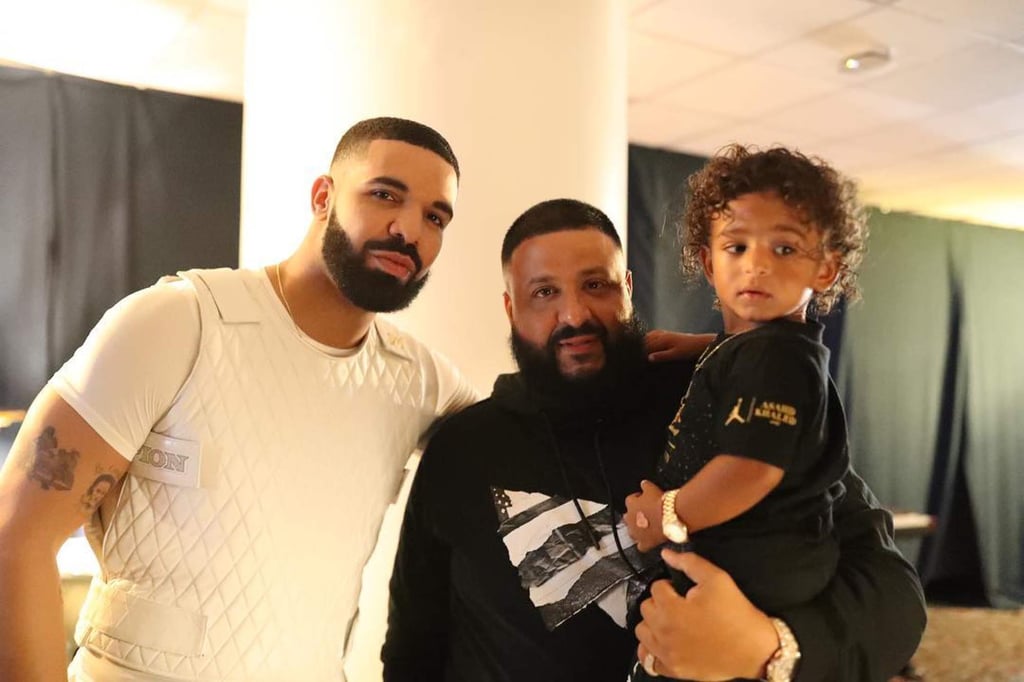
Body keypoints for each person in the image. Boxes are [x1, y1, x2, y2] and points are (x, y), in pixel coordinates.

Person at [0, 117, 479, 682]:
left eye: (435, 217)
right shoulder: (176, 321)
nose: (409, 229)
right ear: (323, 197)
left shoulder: (420, 381)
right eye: (384, 194)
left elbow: (534, 442)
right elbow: (17, 538)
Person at [382, 198, 926, 681]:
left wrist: (765, 648)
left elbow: (893, 595)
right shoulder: (462, 450)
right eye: (543, 292)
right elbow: (414, 648)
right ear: (510, 308)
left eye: (595, 285)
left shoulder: (715, 401)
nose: (573, 315)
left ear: (627, 288)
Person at [624, 144, 870, 680]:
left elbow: (750, 469)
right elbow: (749, 354)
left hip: (758, 565)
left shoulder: (775, 357)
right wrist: (704, 347)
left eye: (784, 249)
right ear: (710, 264)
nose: (756, 263)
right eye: (737, 246)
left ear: (825, 268)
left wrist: (665, 516)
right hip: (761, 560)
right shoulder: (763, 349)